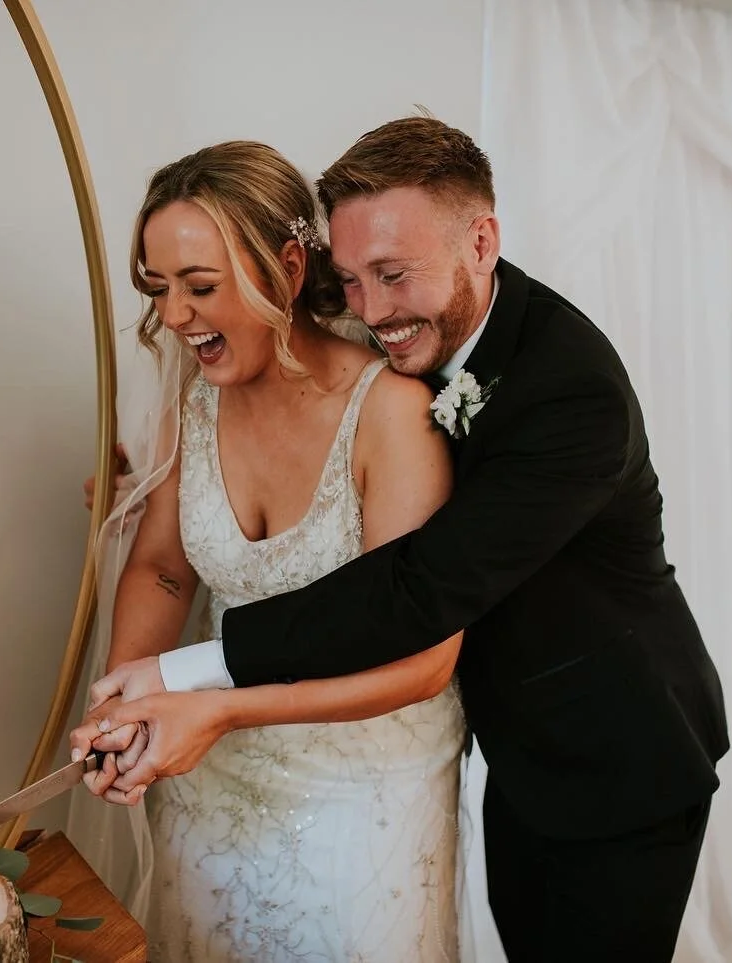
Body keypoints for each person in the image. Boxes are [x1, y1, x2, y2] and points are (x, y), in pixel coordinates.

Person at [76, 117, 730, 961]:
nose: (372, 310)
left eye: (392, 275)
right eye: (351, 279)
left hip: (614, 748)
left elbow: (415, 589)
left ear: (482, 242)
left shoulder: (572, 393)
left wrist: (193, 672)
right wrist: (161, 487)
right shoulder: (390, 339)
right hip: (512, 751)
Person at [67, 140, 468, 961]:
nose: (175, 315)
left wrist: (217, 708)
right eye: (159, 288)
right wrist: (122, 704)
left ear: (287, 268)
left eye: (200, 286)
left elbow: (424, 661)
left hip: (364, 792)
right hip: (208, 777)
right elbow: (163, 568)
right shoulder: (193, 406)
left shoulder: (390, 413)